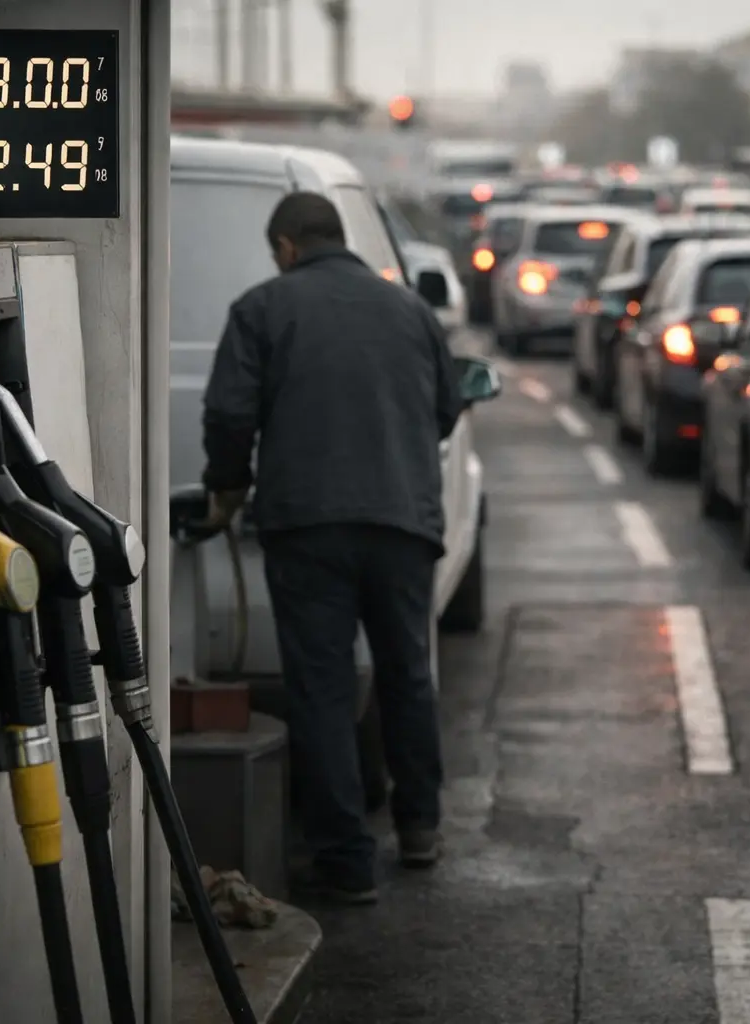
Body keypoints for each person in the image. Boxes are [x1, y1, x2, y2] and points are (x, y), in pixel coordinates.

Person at [200, 191, 462, 905]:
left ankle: (347, 862)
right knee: (407, 673)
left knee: (322, 685)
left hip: (308, 525)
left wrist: (227, 486)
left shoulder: (262, 308)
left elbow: (228, 412)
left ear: (285, 245)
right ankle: (419, 830)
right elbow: (446, 407)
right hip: (402, 523)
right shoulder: (409, 308)